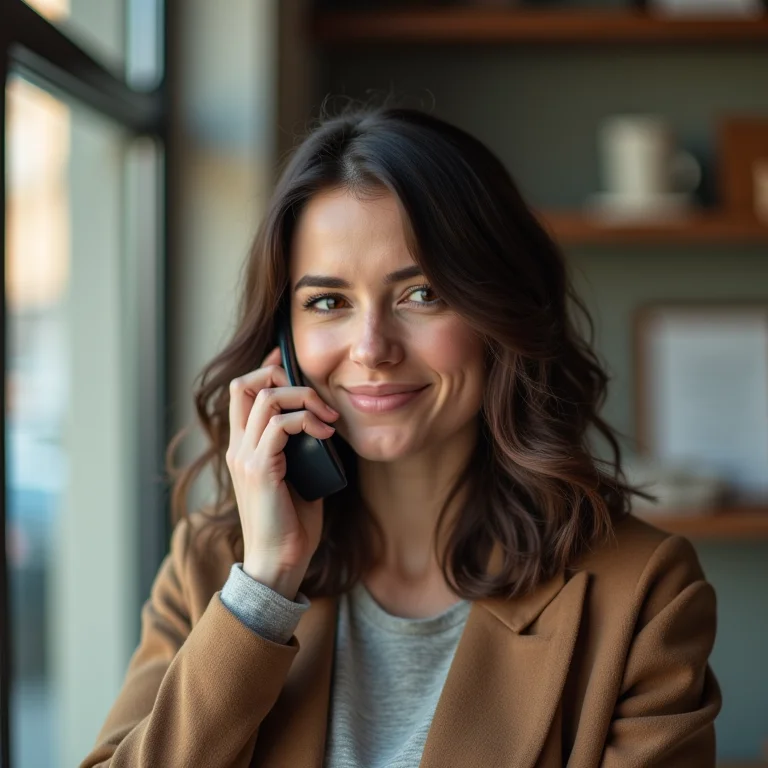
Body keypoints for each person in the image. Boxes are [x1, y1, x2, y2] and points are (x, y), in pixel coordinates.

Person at [80, 104, 721, 768]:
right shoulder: (214, 566)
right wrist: (266, 588)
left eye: (422, 295)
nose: (372, 349)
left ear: (500, 312)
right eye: (328, 302)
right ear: (282, 343)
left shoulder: (645, 592)